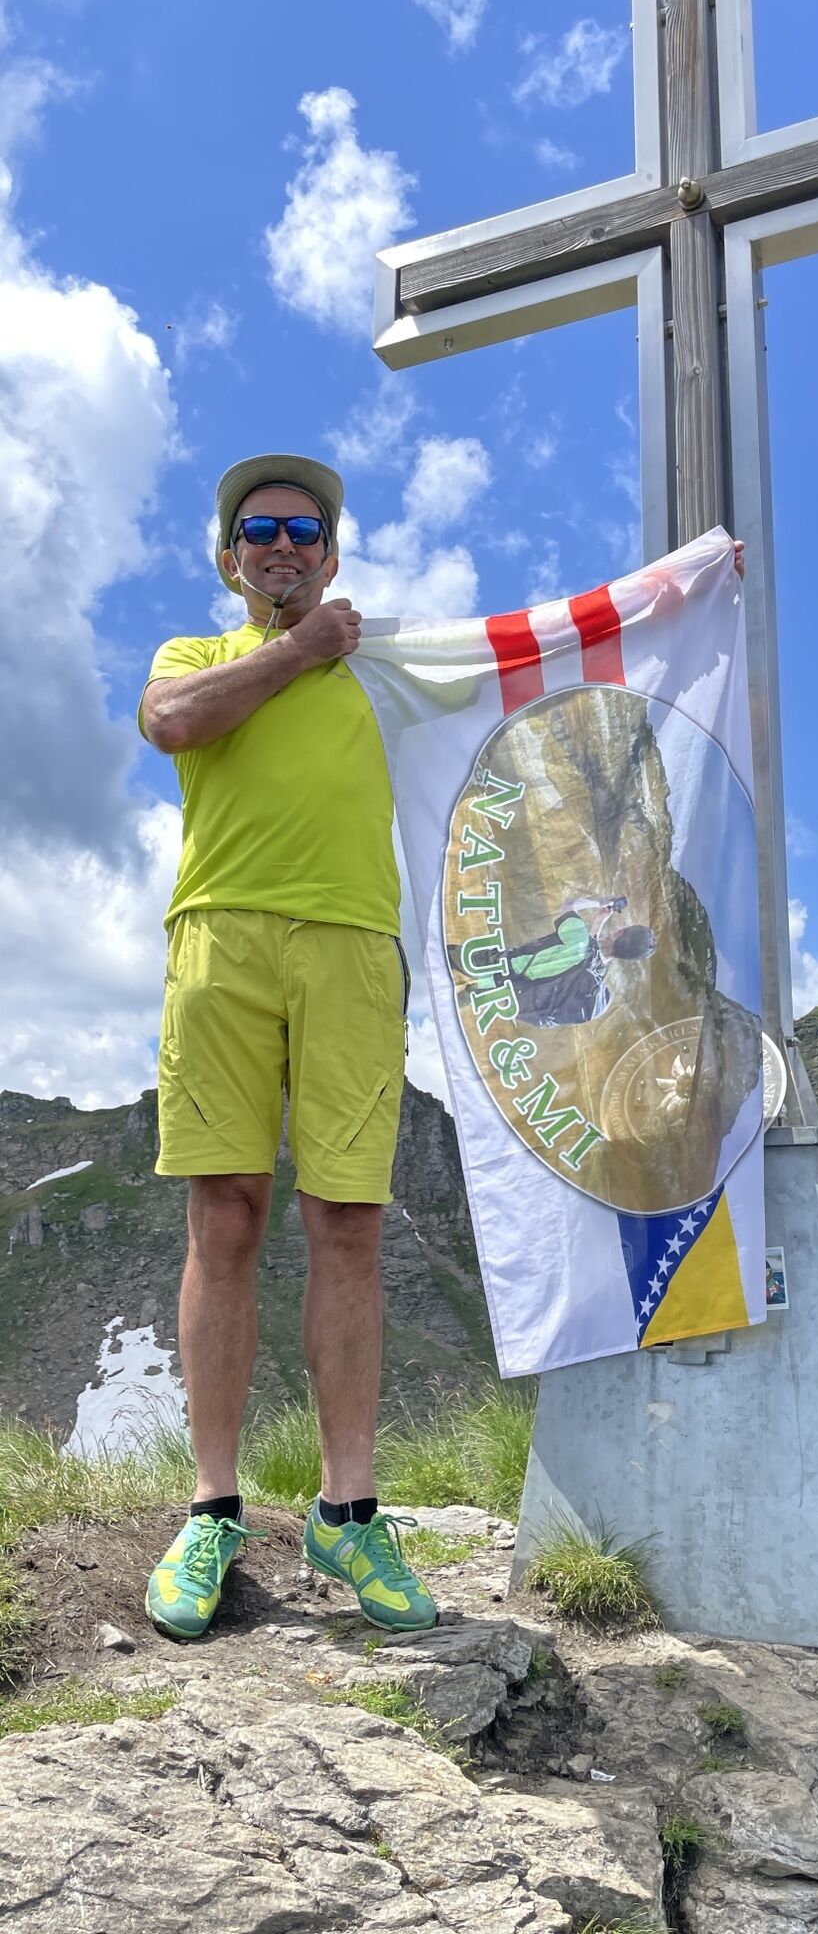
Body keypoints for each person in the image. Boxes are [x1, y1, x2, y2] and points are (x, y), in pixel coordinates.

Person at [138, 452, 436, 1641]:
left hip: (355, 943)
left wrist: (673, 594)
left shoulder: (385, 671)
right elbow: (172, 722)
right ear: (230, 559)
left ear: (331, 553)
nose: (281, 544)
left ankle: (347, 1510)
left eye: (303, 530)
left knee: (349, 1220)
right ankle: (214, 1508)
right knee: (225, 1214)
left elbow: (517, 676)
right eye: (259, 529)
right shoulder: (195, 654)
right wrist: (302, 649)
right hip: (221, 937)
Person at [450, 895, 657, 1028]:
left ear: (620, 932)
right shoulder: (597, 978)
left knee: (447, 957)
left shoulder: (578, 938)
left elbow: (569, 904)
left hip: (501, 966)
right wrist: (599, 922)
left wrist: (598, 902)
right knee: (454, 1002)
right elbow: (587, 955)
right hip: (508, 995)